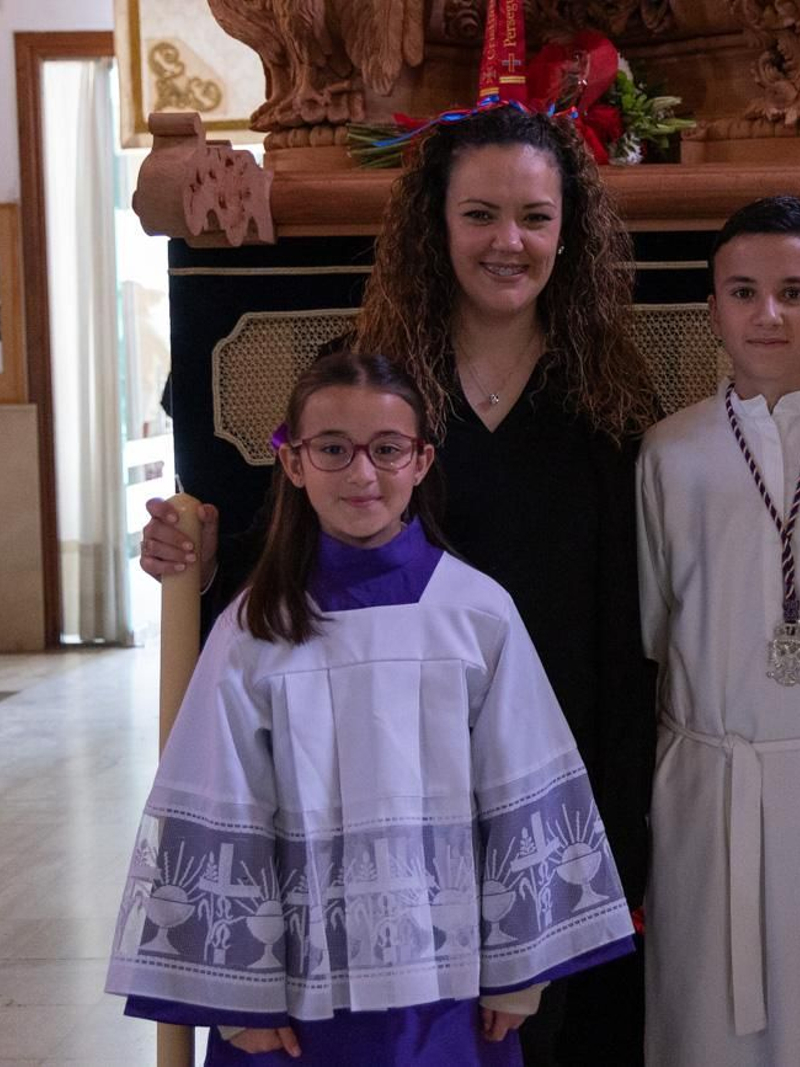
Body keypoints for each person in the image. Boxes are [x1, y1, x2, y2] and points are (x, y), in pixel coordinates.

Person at [138, 105, 657, 1063]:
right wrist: (202, 561)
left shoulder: (608, 398)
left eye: (535, 217)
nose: (508, 241)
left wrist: (622, 840)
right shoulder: (371, 387)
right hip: (367, 800)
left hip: (541, 801)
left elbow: (626, 635)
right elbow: (290, 557)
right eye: (479, 214)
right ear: (435, 223)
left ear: (568, 231)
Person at [107, 348, 636, 1065]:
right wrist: (236, 1001)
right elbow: (220, 796)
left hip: (447, 983)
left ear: (421, 461)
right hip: (294, 992)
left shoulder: (476, 613)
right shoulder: (256, 626)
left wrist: (522, 974)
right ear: (293, 462)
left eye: (387, 449)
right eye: (333, 449)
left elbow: (522, 783)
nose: (362, 474)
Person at [637, 196, 800, 1065]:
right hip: (709, 785)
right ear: (713, 309)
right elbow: (654, 630)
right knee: (705, 1022)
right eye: (743, 292)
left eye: (793, 292)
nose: (767, 314)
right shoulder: (668, 454)